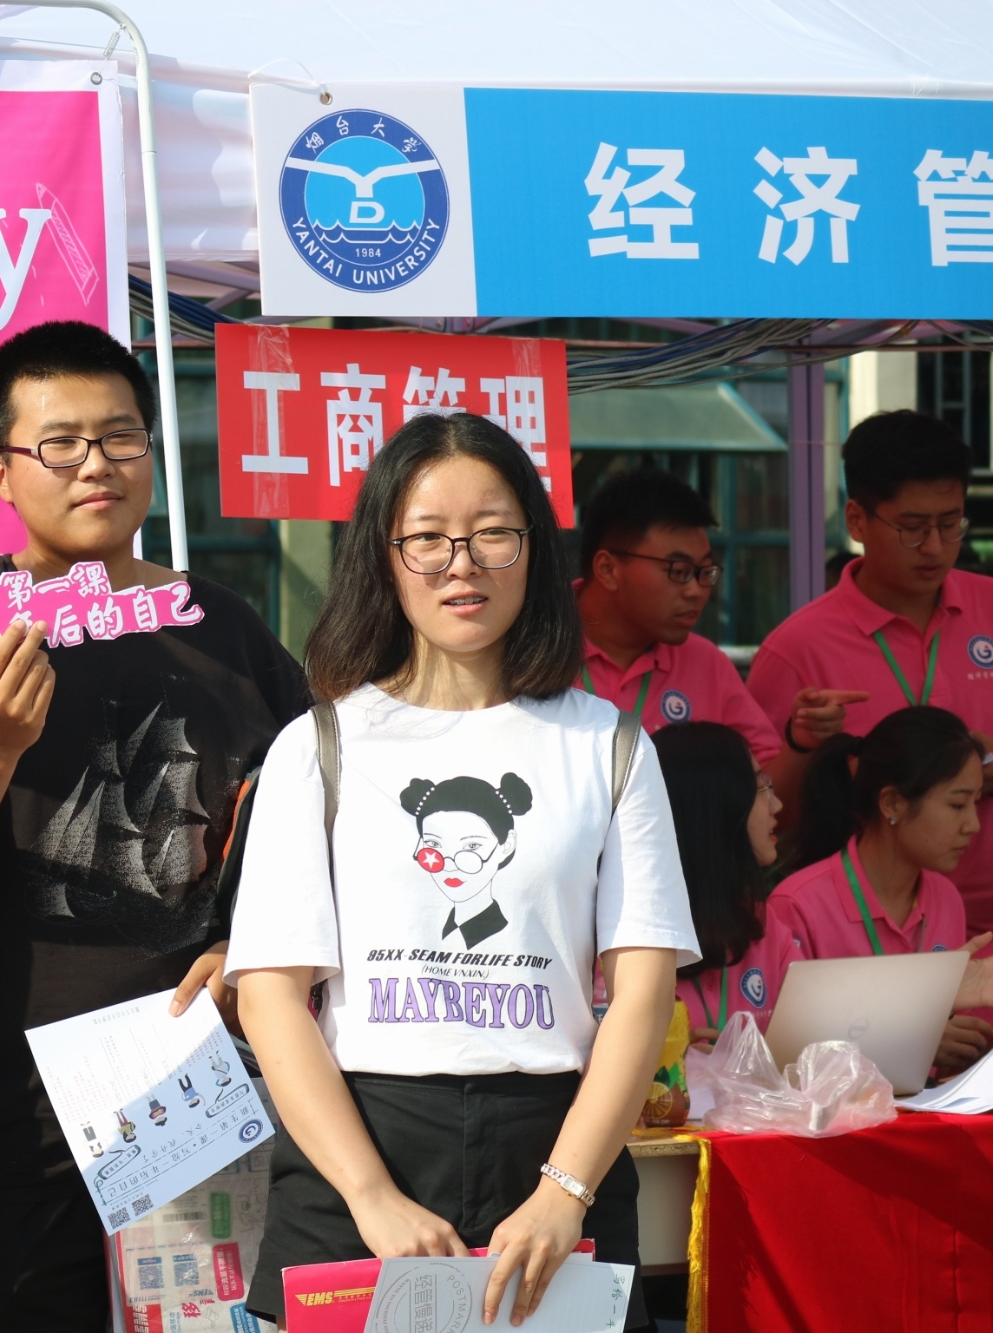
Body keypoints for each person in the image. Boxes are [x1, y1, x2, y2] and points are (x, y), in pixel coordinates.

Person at [0, 321, 310, 1331]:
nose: (95, 466)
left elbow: (306, 833)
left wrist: (248, 947)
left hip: (196, 1116)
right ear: (0, 468)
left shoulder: (226, 629)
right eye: (59, 444)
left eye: (119, 438)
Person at [224, 412, 697, 1331]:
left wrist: (564, 1190)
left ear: (534, 545)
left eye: (491, 533)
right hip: (357, 1153)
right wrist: (370, 1194)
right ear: (384, 555)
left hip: (559, 1152)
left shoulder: (608, 745)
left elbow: (642, 991)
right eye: (428, 538)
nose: (462, 564)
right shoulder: (318, 745)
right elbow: (271, 995)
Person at [747, 410, 993, 929]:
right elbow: (766, 823)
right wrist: (804, 746)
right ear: (857, 520)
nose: (934, 547)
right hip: (868, 935)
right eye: (912, 528)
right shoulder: (797, 649)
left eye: (950, 524)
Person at [758, 706, 993, 1070]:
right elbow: (782, 1053)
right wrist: (914, 1043)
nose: (973, 825)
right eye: (957, 804)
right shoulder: (797, 904)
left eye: (975, 803)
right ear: (892, 803)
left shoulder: (946, 897)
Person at [575, 468, 779, 762]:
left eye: (704, 571)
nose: (696, 591)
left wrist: (801, 743)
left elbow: (766, 773)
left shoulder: (707, 665)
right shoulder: (527, 652)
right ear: (608, 569)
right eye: (679, 571)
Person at [651, 722, 783, 1047]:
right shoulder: (621, 939)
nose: (777, 805)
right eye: (761, 787)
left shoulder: (765, 924)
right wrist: (669, 1063)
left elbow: (811, 1053)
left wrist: (753, 1063)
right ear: (714, 808)